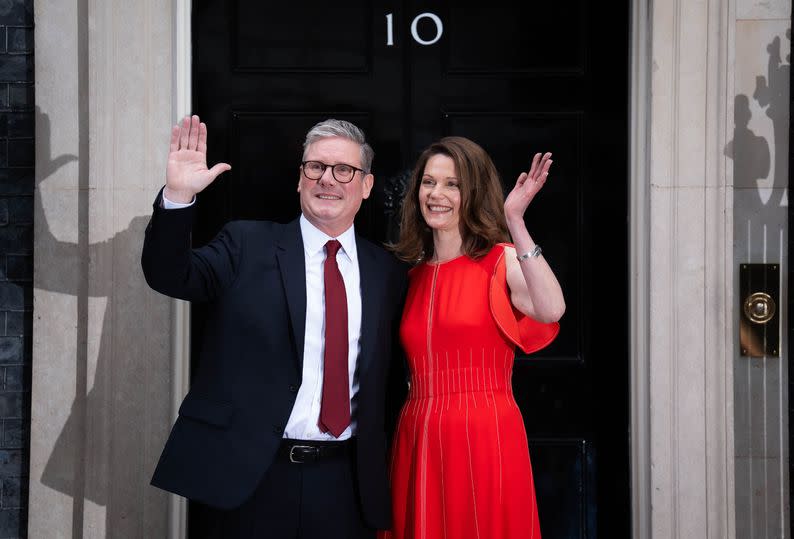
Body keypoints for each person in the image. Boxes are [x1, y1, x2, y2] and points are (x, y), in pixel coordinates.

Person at [142, 115, 407, 538]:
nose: (328, 180)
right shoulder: (245, 244)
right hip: (248, 478)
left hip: (347, 485)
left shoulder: (388, 273)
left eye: (344, 170)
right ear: (299, 179)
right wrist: (177, 197)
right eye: (316, 167)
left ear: (367, 186)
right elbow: (169, 275)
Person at [381, 137, 565, 539]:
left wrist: (515, 221)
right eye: (429, 182)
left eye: (453, 184)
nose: (436, 194)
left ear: (473, 192)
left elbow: (551, 309)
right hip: (419, 433)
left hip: (484, 432)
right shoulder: (410, 276)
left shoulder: (502, 260)